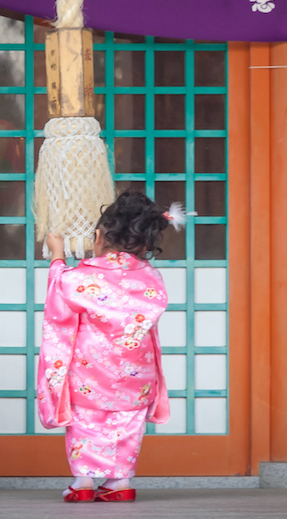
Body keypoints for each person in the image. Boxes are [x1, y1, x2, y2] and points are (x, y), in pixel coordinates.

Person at [37, 191, 185, 503]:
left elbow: (59, 298)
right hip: (137, 371)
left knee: (85, 424)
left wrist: (57, 254)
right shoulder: (152, 277)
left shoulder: (82, 277)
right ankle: (120, 482)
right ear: (146, 243)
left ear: (101, 236)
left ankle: (84, 481)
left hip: (91, 372)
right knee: (127, 425)